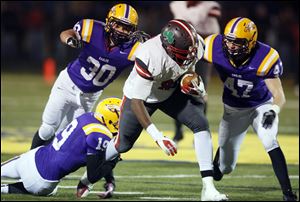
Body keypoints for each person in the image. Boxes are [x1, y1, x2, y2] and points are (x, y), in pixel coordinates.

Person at [29, 3, 149, 197]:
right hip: (66, 84)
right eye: (119, 25)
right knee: (48, 128)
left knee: (75, 138)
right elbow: (66, 33)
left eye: (127, 27)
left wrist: (149, 44)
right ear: (109, 22)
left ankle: (60, 176)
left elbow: (154, 57)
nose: (121, 30)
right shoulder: (92, 28)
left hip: (89, 97)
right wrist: (71, 40)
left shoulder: (135, 47)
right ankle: (29, 162)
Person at [102, 19, 228, 201]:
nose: (189, 55)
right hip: (141, 98)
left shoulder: (195, 44)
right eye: (184, 53)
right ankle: (89, 167)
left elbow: (189, 68)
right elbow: (137, 101)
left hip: (169, 92)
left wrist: (193, 81)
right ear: (168, 48)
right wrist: (157, 136)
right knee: (122, 145)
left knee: (201, 123)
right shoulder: (149, 54)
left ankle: (208, 188)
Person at [202, 17, 298, 201]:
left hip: (260, 106)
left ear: (251, 42)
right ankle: (218, 161)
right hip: (233, 109)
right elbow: (194, 58)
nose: (231, 46)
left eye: (237, 42)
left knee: (270, 140)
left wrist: (273, 110)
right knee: (224, 169)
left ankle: (288, 194)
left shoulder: (265, 57)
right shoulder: (214, 45)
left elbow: (279, 95)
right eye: (228, 40)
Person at [1, 98, 121, 197]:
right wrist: (114, 161)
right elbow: (93, 175)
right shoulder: (100, 135)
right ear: (112, 120)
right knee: (49, 190)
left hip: (30, 158)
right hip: (42, 181)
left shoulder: (88, 117)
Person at [169, 1, 222, 143]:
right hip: (185, 47)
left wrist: (198, 11)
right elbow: (188, 21)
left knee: (200, 89)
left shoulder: (210, 4)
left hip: (205, 47)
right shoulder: (177, 4)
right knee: (178, 88)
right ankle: (178, 131)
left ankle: (200, 132)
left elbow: (212, 13)